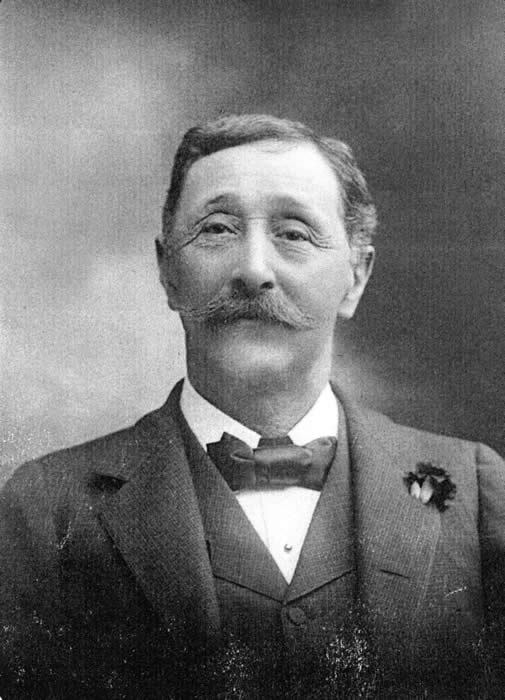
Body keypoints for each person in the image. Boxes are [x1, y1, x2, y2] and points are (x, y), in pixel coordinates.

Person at [1, 114, 504, 699]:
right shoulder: (46, 509)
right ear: (167, 272)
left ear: (356, 276)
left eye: (294, 233)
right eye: (217, 229)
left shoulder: (475, 492)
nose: (254, 270)